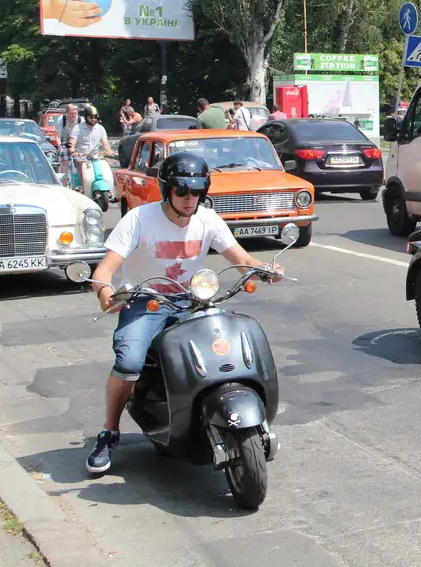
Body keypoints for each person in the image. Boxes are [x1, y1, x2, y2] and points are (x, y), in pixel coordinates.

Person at [84, 152, 284, 474]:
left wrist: (266, 270)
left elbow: (242, 259)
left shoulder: (208, 219)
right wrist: (106, 293)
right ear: (167, 189)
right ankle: (109, 432)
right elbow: (104, 270)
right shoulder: (139, 219)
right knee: (129, 362)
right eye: (182, 191)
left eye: (197, 191)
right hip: (145, 301)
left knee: (224, 349)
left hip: (191, 300)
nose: (190, 199)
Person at [68, 106, 113, 189]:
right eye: (91, 117)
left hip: (95, 156)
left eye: (95, 117)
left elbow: (105, 143)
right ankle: (83, 188)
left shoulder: (100, 128)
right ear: (86, 117)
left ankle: (109, 188)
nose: (93, 119)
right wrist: (73, 151)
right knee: (81, 165)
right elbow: (71, 143)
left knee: (105, 166)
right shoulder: (77, 128)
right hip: (81, 156)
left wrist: (109, 151)